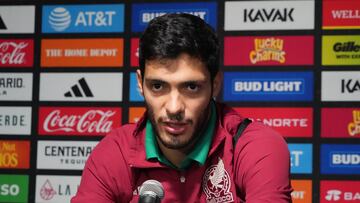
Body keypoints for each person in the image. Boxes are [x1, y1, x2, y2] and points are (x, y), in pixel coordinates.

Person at [71, 13, 293, 203]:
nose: (174, 107)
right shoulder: (115, 152)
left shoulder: (254, 146)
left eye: (191, 87)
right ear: (140, 83)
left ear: (215, 84)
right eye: (158, 86)